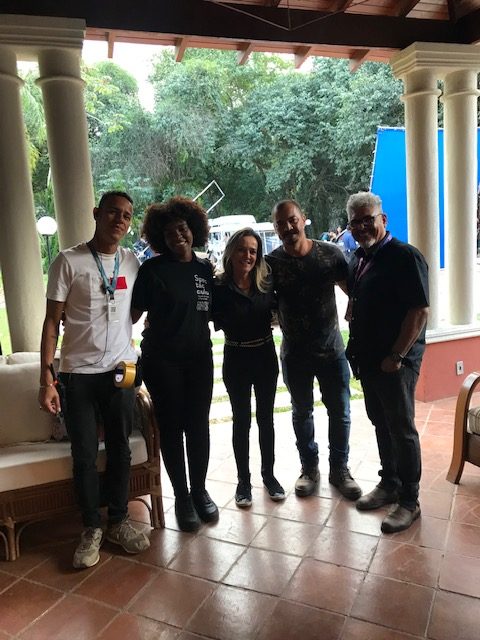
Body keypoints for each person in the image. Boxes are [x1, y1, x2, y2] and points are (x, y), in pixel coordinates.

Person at [38, 191, 150, 570]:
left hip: (120, 373)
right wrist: (47, 378)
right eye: (114, 212)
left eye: (127, 216)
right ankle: (90, 528)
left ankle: (118, 520)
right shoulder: (68, 261)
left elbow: (133, 311)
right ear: (96, 213)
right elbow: (51, 322)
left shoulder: (131, 262)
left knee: (120, 448)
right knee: (84, 454)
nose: (120, 220)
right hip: (78, 376)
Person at [131, 196, 218, 533]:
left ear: (193, 229)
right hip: (162, 361)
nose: (177, 236)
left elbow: (213, 311)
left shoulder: (204, 269)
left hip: (199, 360)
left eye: (182, 228)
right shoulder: (152, 271)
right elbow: (131, 315)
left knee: (198, 426)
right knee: (171, 428)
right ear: (160, 238)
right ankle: (182, 497)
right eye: (168, 233)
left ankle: (200, 491)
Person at [345, 191, 429, 533]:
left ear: (383, 219)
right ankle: (390, 482)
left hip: (395, 362)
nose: (363, 227)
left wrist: (397, 355)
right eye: (356, 222)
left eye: (369, 219)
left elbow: (419, 311)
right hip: (369, 360)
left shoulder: (404, 257)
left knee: (401, 428)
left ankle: (409, 500)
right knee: (381, 421)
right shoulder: (360, 259)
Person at [266, 200, 361, 500]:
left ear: (303, 218)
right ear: (275, 228)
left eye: (292, 220)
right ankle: (309, 469)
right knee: (301, 413)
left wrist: (355, 312)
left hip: (332, 351)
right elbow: (262, 301)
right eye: (281, 223)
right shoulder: (271, 263)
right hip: (295, 355)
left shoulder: (330, 254)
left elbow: (354, 291)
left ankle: (340, 469)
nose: (288, 227)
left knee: (340, 413)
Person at [213, 228, 285, 507]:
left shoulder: (266, 283)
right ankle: (243, 482)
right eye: (242, 249)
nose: (247, 255)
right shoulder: (218, 287)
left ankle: (269, 476)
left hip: (265, 356)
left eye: (253, 251)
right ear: (231, 252)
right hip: (236, 357)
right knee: (241, 420)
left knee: (266, 419)